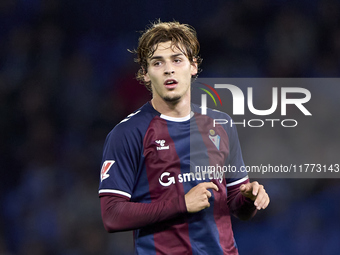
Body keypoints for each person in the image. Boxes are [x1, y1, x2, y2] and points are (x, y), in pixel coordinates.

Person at [98, 20, 270, 255]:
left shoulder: (221, 123)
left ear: (193, 66)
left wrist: (249, 197)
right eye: (158, 63)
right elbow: (112, 216)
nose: (169, 69)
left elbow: (237, 207)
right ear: (146, 74)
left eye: (177, 60)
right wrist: (182, 204)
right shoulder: (127, 133)